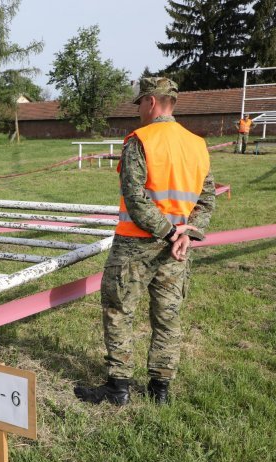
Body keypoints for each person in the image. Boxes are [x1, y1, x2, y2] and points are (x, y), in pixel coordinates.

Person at [74, 77, 216, 406]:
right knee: (168, 316)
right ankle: (160, 390)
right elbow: (206, 201)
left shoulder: (140, 139)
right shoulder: (197, 144)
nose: (138, 109)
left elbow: (135, 198)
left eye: (139, 103)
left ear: (151, 102)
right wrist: (187, 233)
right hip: (176, 250)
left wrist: (168, 232)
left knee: (119, 310)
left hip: (136, 244)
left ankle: (118, 387)